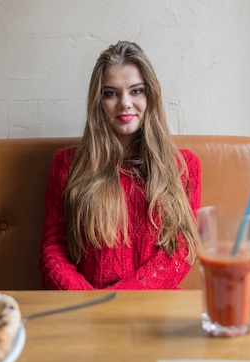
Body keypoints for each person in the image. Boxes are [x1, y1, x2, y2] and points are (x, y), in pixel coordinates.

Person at [39, 41, 201, 290]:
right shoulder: (68, 164)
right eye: (111, 93)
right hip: (85, 309)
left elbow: (181, 249)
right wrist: (88, 301)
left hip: (157, 309)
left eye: (136, 91)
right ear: (98, 101)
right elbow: (53, 249)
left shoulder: (183, 167)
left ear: (150, 96)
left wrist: (117, 299)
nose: (125, 103)